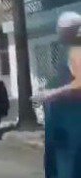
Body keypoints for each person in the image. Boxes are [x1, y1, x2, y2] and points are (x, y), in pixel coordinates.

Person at [44, 12, 81, 178]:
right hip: (63, 121)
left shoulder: (76, 50)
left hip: (70, 121)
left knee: (68, 167)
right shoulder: (69, 50)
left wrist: (52, 93)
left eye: (60, 30)